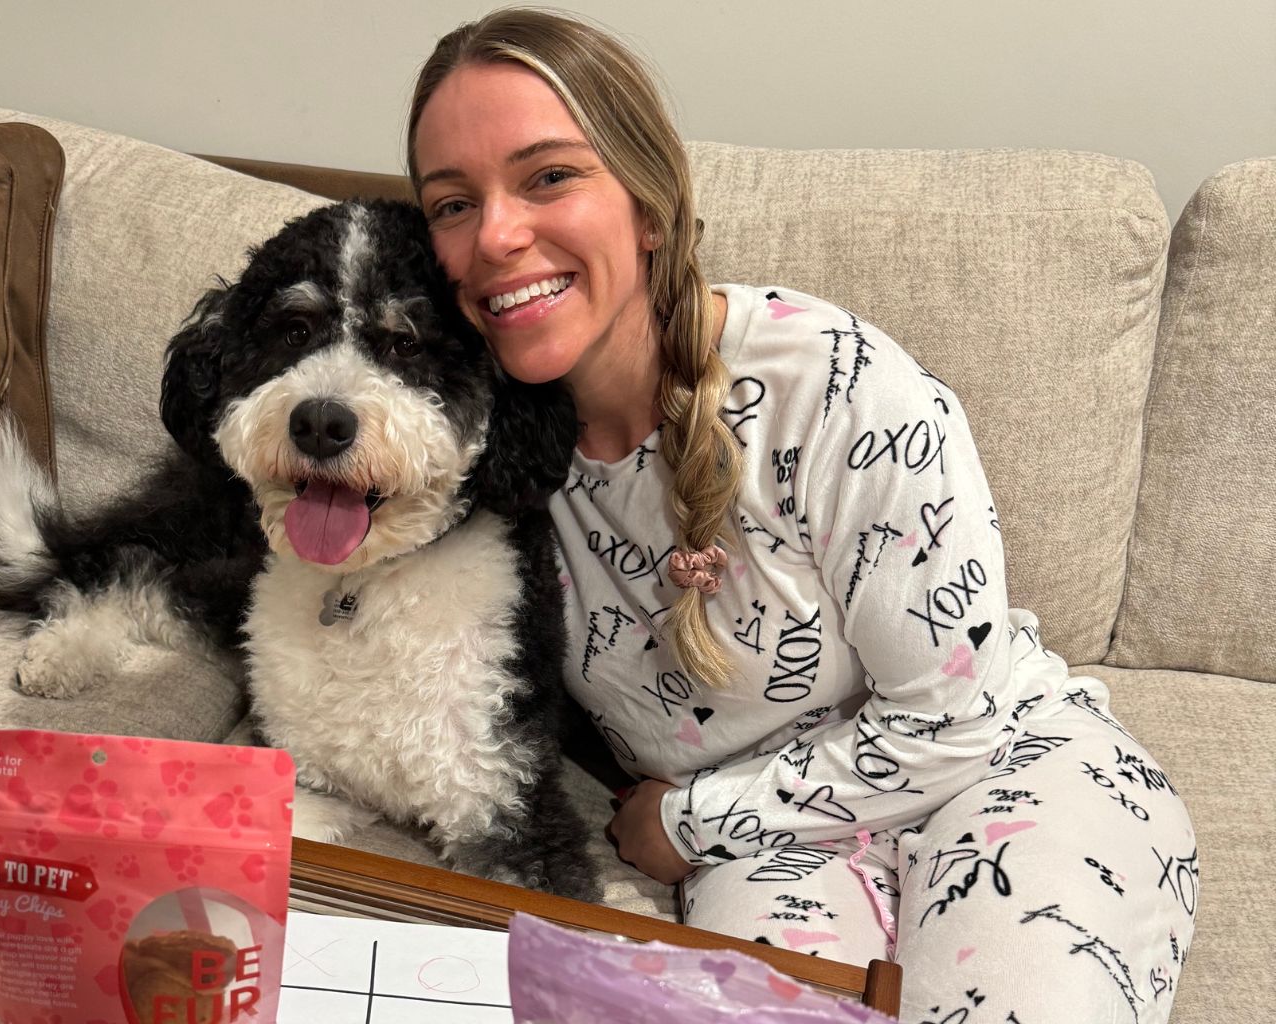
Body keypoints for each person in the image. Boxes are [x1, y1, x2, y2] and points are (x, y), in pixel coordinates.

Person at [405, 8, 1197, 1022]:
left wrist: (691, 819)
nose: (497, 235)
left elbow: (956, 717)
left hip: (1003, 766)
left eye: (549, 176)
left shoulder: (830, 384)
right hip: (774, 849)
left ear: (646, 203)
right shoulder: (469, 448)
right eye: (451, 204)